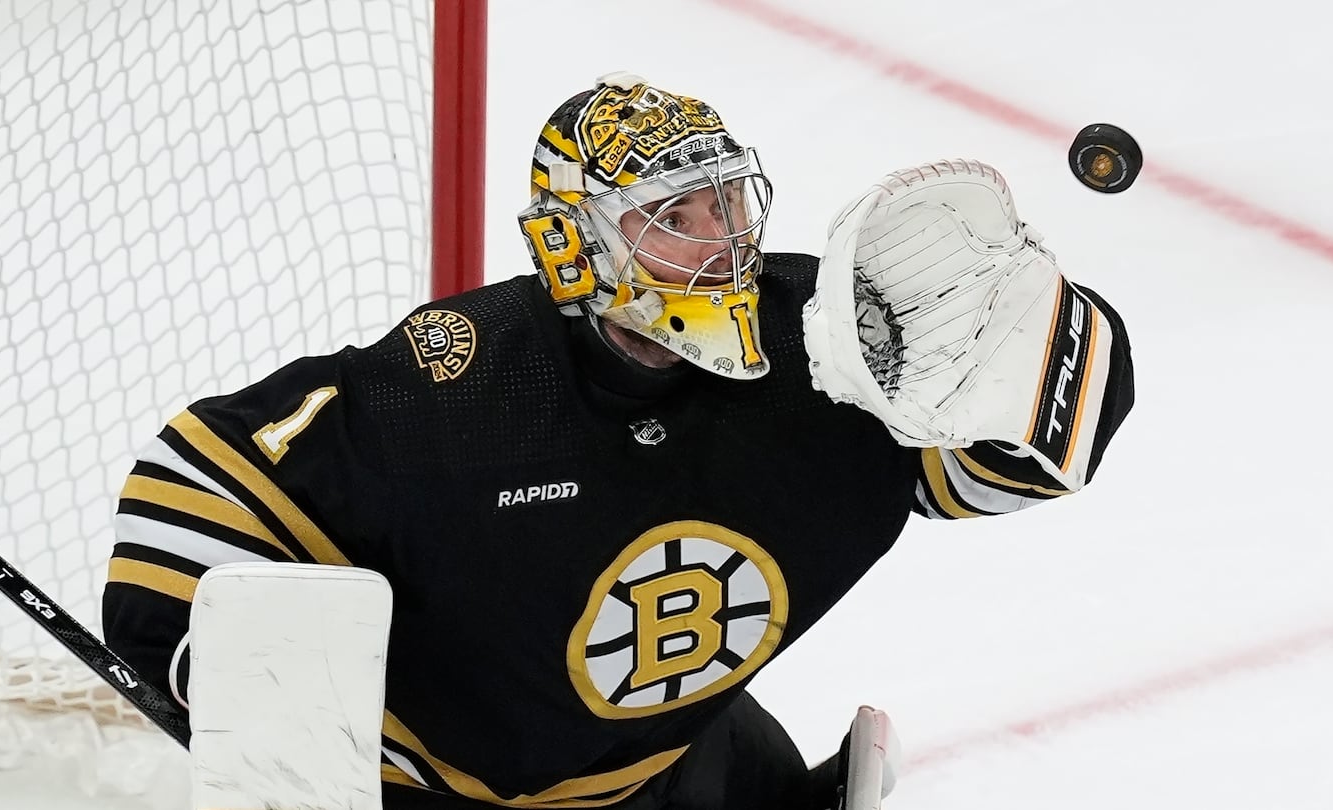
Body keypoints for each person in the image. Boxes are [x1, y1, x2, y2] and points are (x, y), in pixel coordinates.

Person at [102, 72, 1135, 810]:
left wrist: (1045, 362)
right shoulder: (465, 385)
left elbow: (973, 475)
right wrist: (223, 678)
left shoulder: (819, 337)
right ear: (574, 241)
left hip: (675, 763)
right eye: (673, 214)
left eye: (727, 199)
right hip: (430, 785)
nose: (725, 238)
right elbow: (204, 472)